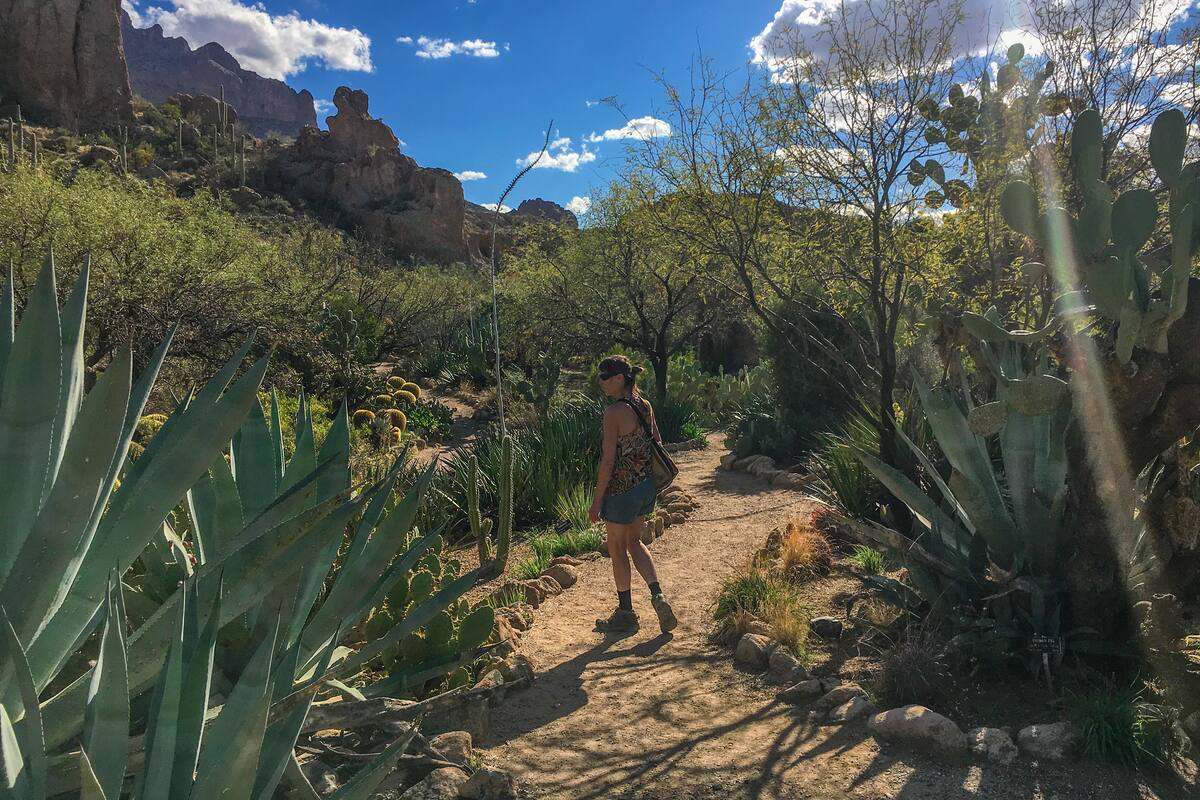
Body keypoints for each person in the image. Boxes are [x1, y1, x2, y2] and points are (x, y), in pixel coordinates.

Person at [589, 355, 678, 634]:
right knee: (635, 542)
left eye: (605, 377)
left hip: (621, 490)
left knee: (617, 548)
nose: (600, 382)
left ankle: (626, 613)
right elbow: (657, 442)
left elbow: (608, 462)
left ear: (619, 379)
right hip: (645, 487)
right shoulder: (644, 405)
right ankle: (657, 595)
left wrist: (596, 501)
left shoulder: (613, 413)